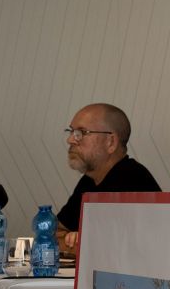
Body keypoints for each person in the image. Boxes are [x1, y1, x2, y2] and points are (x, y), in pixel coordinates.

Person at [57, 103, 162, 255]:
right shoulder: (89, 180)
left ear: (111, 142)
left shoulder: (133, 181)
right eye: (71, 131)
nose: (70, 140)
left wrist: (80, 243)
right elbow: (50, 237)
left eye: (81, 133)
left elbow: (120, 250)